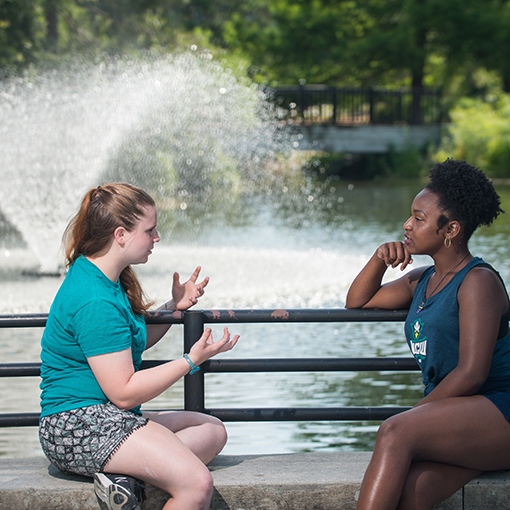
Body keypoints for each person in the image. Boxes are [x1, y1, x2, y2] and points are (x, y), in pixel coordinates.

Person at [39, 183, 240, 510]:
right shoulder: (95, 300)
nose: (157, 238)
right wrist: (191, 360)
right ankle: (129, 469)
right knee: (196, 484)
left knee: (211, 430)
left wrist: (173, 307)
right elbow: (124, 392)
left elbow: (126, 340)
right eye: (150, 230)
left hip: (105, 417)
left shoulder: (104, 276)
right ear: (120, 235)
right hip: (78, 426)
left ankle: (125, 477)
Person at [345, 159, 510, 510]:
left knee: (394, 431)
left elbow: (472, 374)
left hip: (498, 410)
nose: (407, 225)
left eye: (419, 219)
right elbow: (357, 301)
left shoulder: (478, 282)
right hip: (455, 416)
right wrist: (379, 258)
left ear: (451, 229)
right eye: (410, 216)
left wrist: (413, 415)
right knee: (411, 493)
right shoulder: (422, 279)